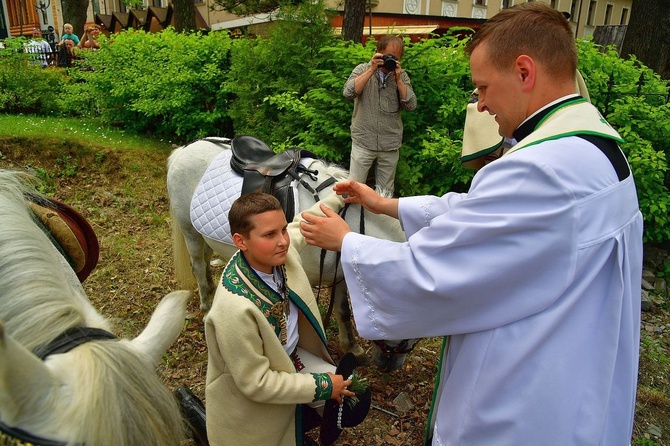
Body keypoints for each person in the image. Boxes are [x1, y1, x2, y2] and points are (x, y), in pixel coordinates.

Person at [300, 3, 643, 445]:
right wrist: (385, 205)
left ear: (524, 71)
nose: (480, 104)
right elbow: (485, 216)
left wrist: (348, 243)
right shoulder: (590, 145)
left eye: (483, 87)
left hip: (522, 403)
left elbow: (430, 275)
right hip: (580, 377)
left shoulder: (540, 170)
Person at [204, 192, 369, 446]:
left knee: (356, 397)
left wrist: (340, 193)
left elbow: (306, 220)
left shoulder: (275, 253)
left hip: (291, 356)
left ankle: (304, 419)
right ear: (241, 241)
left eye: (282, 229)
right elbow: (257, 383)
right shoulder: (233, 309)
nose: (283, 241)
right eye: (270, 234)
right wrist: (324, 385)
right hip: (253, 394)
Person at [343, 35, 417, 196]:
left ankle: (379, 221)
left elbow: (411, 105)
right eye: (386, 56)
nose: (389, 60)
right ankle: (351, 220)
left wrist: (398, 80)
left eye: (395, 58)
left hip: (389, 144)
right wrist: (371, 69)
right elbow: (348, 92)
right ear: (378, 53)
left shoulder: (401, 76)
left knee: (385, 194)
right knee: (353, 189)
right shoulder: (362, 69)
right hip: (363, 141)